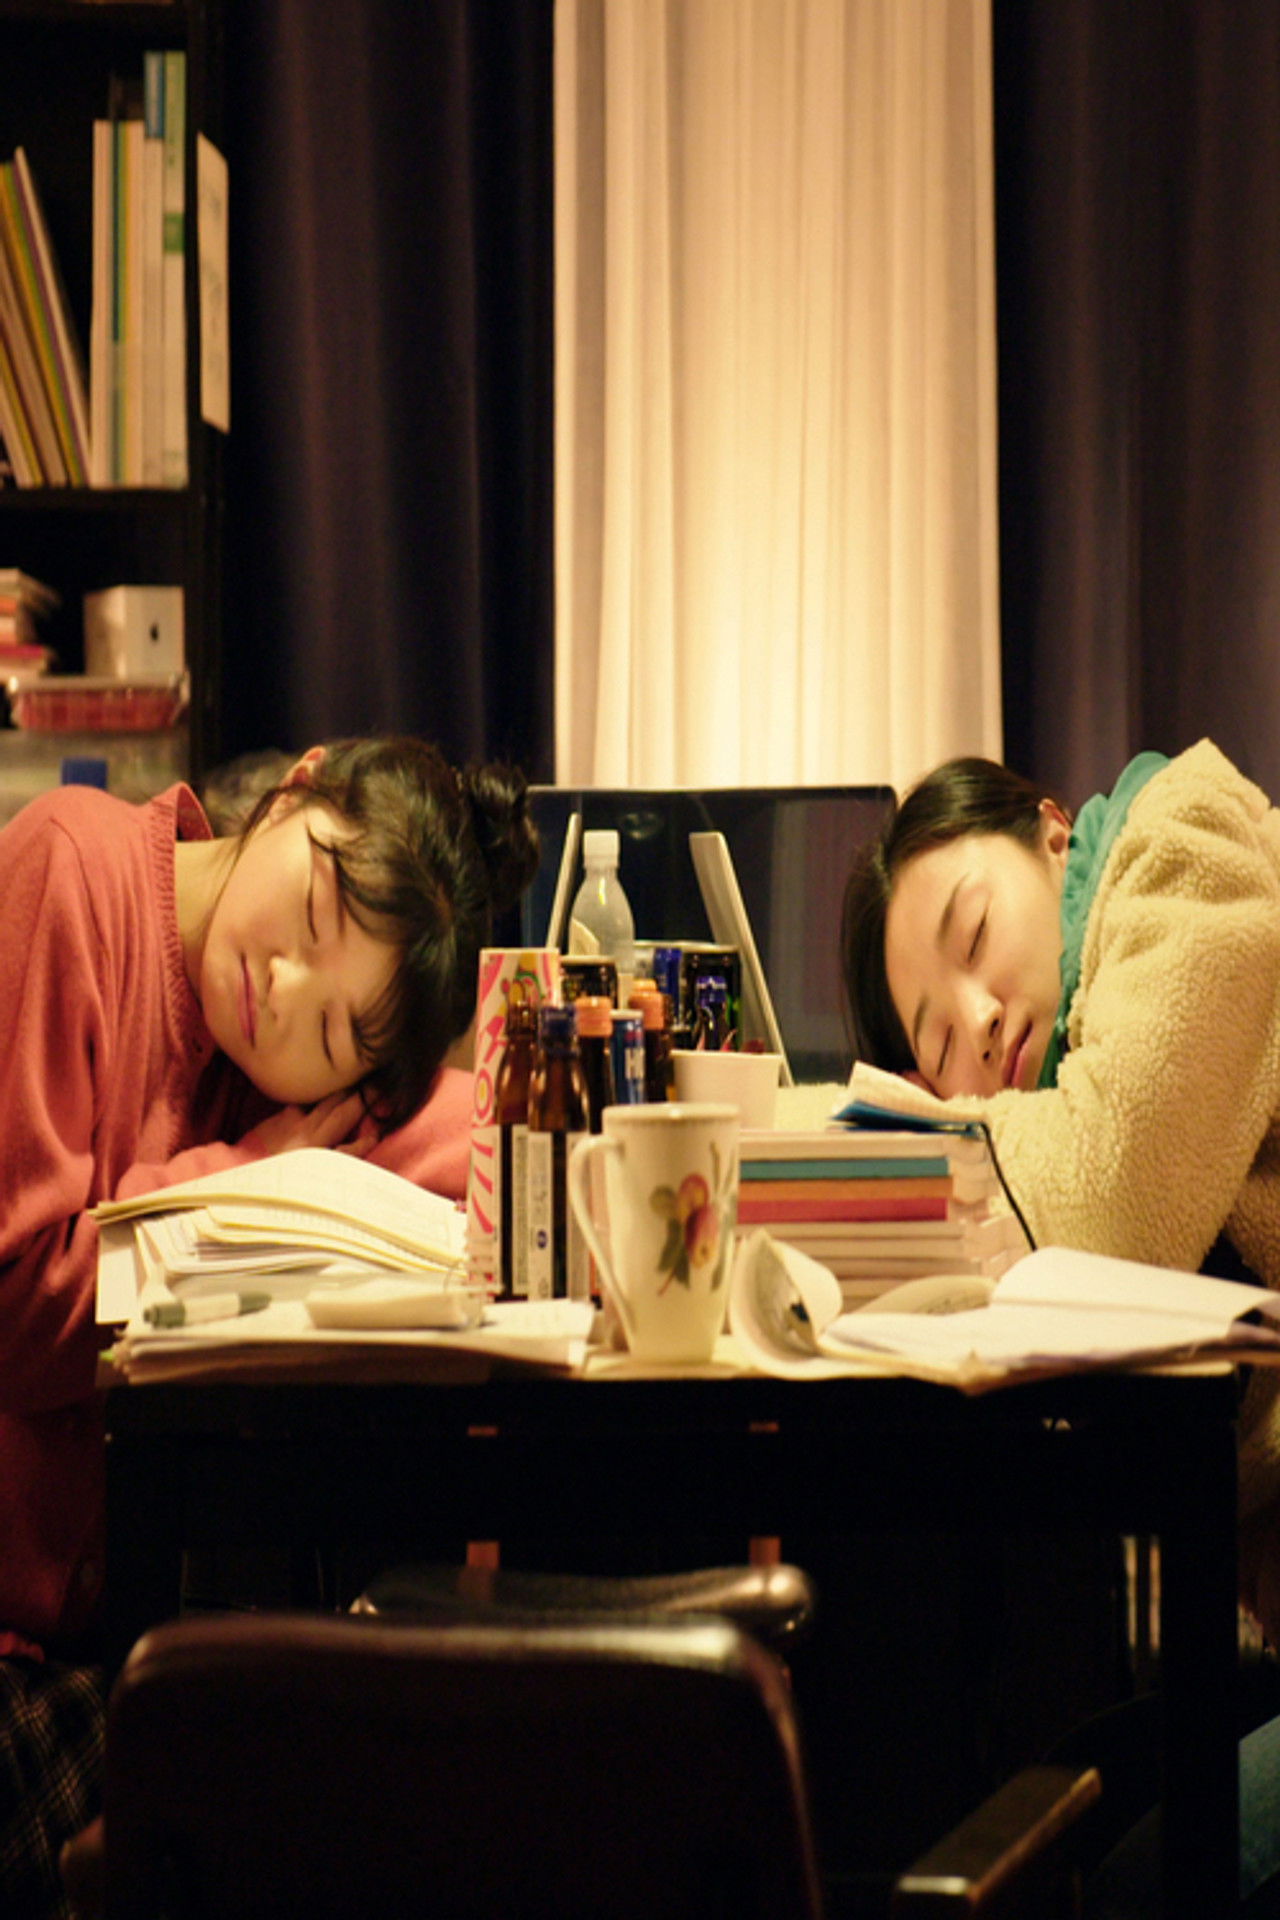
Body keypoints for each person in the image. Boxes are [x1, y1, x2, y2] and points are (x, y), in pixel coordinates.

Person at [0, 734, 538, 1918]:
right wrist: (236, 1184)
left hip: (85, 1648)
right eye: (311, 910)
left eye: (335, 1033)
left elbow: (480, 1129)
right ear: (301, 783)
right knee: (330, 1800)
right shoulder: (70, 871)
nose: (284, 990)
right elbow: (14, 1301)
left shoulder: (279, 1079)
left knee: (413, 1755)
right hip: (15, 1674)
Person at [841, 736, 1280, 1915]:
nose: (978, 1022)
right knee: (1053, 1801)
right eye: (936, 1046)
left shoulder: (1181, 836)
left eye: (974, 934)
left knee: (1127, 1879)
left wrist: (857, 1162)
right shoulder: (1066, 1065)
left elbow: (1113, 1186)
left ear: (1050, 833)